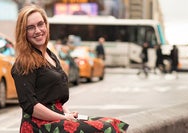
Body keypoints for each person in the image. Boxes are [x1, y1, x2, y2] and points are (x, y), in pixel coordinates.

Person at [11, 5, 128, 133]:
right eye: (30, 27)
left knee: (114, 123)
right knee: (107, 129)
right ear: (23, 32)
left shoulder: (50, 55)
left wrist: (68, 114)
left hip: (58, 119)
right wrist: (64, 117)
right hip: (40, 126)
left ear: (46, 25)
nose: (38, 30)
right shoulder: (23, 63)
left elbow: (55, 99)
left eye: (40, 24)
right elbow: (31, 106)